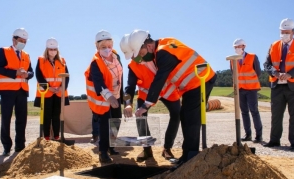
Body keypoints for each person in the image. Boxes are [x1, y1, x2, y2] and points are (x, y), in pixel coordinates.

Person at [129, 30, 217, 164]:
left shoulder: (162, 53)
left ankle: (191, 157)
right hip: (192, 85)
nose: (142, 57)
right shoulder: (164, 44)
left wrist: (145, 105)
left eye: (142, 54)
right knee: (185, 116)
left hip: (200, 81)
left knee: (191, 118)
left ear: (148, 46)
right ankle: (186, 156)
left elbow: (159, 80)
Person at [120, 34, 181, 162]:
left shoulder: (155, 55)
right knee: (140, 116)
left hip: (167, 90)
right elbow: (129, 88)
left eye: (133, 55)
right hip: (146, 94)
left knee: (176, 114)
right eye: (131, 56)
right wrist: (127, 103)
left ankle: (167, 149)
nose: (132, 58)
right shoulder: (132, 66)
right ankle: (147, 150)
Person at [263, 18, 294, 151]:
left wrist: (290, 74)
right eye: (282, 32)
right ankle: (274, 140)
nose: (284, 34)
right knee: (276, 114)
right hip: (277, 85)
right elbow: (267, 64)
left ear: (293, 32)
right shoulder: (273, 45)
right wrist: (275, 73)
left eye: (287, 32)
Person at [85, 30, 123, 163]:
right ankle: (102, 152)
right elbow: (98, 83)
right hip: (103, 98)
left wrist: (120, 97)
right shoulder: (95, 63)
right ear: (97, 47)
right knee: (105, 124)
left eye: (109, 46)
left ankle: (111, 146)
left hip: (116, 95)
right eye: (103, 47)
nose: (107, 49)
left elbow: (120, 76)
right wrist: (110, 97)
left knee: (116, 121)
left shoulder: (117, 57)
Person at [0, 28, 34, 156]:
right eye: (20, 40)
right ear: (14, 39)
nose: (23, 42)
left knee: (22, 119)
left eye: (25, 41)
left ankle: (20, 145)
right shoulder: (4, 51)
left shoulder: (26, 55)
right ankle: (6, 146)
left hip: (22, 91)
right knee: (6, 119)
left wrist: (27, 75)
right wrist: (14, 73)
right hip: (7, 91)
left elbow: (31, 72)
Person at [34, 38, 69, 140]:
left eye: (54, 49)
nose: (52, 51)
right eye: (50, 49)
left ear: (57, 50)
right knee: (47, 115)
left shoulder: (62, 61)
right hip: (46, 93)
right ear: (47, 49)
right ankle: (46, 136)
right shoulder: (41, 60)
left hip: (58, 93)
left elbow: (67, 76)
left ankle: (57, 136)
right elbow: (39, 76)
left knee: (56, 115)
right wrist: (49, 88)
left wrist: (62, 87)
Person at [231, 38, 263, 143]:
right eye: (235, 47)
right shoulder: (233, 59)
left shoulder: (252, 57)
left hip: (251, 89)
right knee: (244, 112)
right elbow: (233, 73)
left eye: (238, 46)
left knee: (254, 111)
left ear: (244, 46)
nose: (236, 49)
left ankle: (259, 136)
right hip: (240, 89)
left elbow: (258, 72)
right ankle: (248, 135)